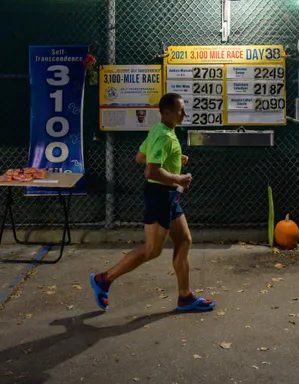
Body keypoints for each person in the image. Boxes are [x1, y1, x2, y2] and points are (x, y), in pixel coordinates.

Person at [89, 93, 215, 313]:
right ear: (166, 112)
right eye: (180, 110)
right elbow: (151, 170)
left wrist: (174, 159)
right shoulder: (165, 136)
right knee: (151, 250)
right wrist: (180, 178)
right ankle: (104, 279)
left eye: (184, 109)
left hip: (169, 198)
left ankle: (185, 297)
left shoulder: (160, 130)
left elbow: (140, 156)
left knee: (184, 240)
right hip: (160, 196)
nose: (184, 113)